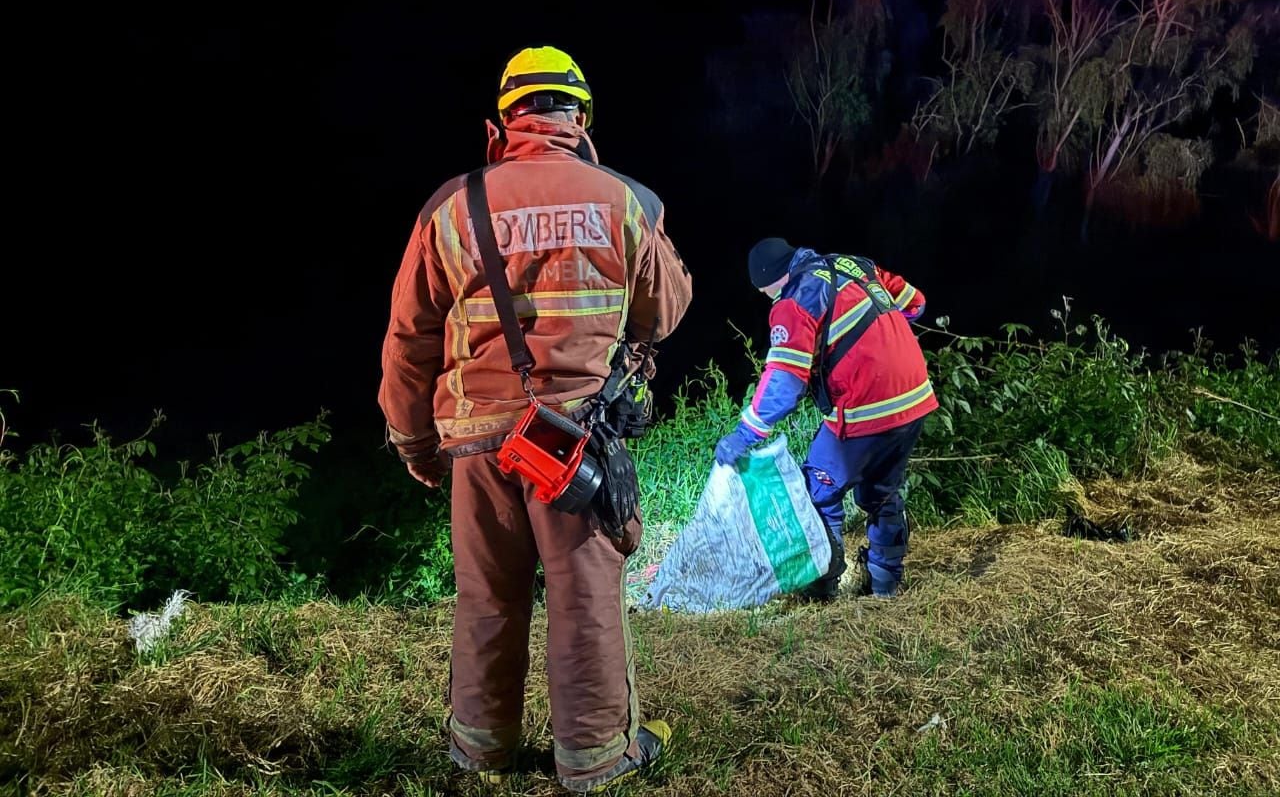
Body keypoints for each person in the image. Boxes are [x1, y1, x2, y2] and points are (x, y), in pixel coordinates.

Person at [378, 46, 692, 792]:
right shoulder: (623, 201)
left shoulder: (452, 207)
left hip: (479, 443)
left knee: (486, 597)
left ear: (503, 122)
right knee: (584, 601)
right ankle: (593, 761)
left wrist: (413, 441)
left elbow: (409, 338)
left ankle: (480, 752)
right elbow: (667, 311)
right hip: (574, 445)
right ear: (579, 118)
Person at [714, 238, 936, 600]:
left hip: (868, 405)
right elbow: (916, 303)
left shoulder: (795, 298)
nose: (768, 299)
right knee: (881, 491)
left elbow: (785, 381)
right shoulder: (855, 264)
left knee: (819, 487)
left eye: (765, 293)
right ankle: (886, 586)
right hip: (915, 396)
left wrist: (745, 433)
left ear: (768, 282)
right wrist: (879, 343)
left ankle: (822, 586)